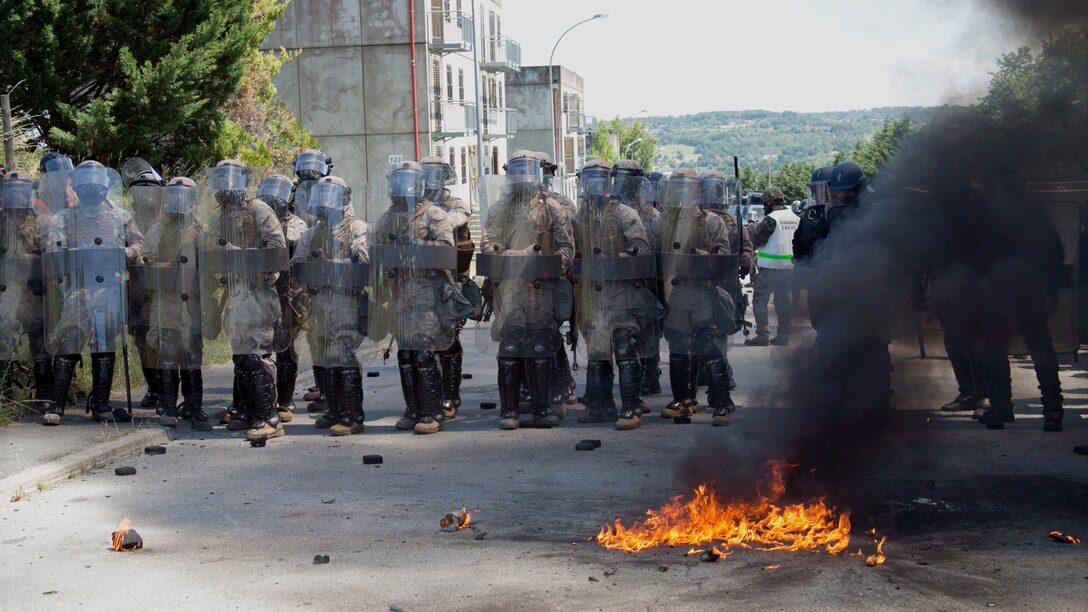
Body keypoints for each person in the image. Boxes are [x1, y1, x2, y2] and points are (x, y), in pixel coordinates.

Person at [41, 161, 143, 425]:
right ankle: (56, 403)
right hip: (79, 289)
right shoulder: (64, 217)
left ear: (105, 185)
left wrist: (125, 253)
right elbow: (54, 248)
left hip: (110, 288)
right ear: (77, 186)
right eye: (86, 183)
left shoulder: (120, 216)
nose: (91, 188)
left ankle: (101, 403)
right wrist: (74, 254)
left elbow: (138, 245)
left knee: (106, 345)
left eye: (96, 183)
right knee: (69, 340)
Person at [480, 151, 574, 430]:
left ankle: (542, 408)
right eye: (516, 172)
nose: (522, 179)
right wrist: (512, 255)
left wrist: (550, 266)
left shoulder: (552, 208)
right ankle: (508, 411)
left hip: (541, 289)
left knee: (540, 346)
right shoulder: (499, 210)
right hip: (509, 290)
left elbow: (567, 248)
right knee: (510, 347)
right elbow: (488, 244)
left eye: (526, 172)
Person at [201, 160, 289, 441]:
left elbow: (277, 250)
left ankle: (270, 418)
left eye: (231, 179)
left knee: (257, 357)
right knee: (241, 359)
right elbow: (210, 253)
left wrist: (235, 251)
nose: (225, 186)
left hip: (259, 293)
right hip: (235, 296)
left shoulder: (259, 210)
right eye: (221, 179)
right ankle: (250, 412)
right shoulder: (218, 219)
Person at [371, 161, 459, 435]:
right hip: (399, 295)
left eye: (407, 181)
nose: (401, 188)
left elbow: (447, 251)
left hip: (427, 294)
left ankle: (432, 412)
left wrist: (419, 246)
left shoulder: (434, 215)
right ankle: (412, 410)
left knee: (423, 353)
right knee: (406, 355)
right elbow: (375, 253)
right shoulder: (387, 219)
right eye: (397, 182)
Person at [573, 160, 657, 430]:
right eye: (590, 180)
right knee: (597, 350)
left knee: (623, 344)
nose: (594, 186)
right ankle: (600, 405)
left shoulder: (624, 213)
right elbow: (570, 250)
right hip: (591, 295)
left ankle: (631, 407)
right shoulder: (579, 217)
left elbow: (641, 249)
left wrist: (622, 258)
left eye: (599, 180)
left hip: (620, 292)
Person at [656, 168, 737, 426]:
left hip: (703, 291)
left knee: (710, 345)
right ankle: (683, 400)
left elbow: (724, 255)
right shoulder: (664, 222)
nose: (682, 193)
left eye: (687, 188)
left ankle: (722, 403)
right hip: (676, 293)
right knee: (679, 347)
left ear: (698, 191)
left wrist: (704, 255)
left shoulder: (713, 221)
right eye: (677, 188)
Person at [291, 175, 370, 436]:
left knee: (344, 358)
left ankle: (352, 415)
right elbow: (298, 267)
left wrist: (330, 268)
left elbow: (363, 261)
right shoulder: (311, 233)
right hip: (318, 306)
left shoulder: (356, 228)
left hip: (346, 302)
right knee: (326, 361)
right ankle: (334, 410)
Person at [140, 177, 213, 430]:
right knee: (168, 354)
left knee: (192, 356)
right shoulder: (159, 226)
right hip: (167, 301)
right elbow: (145, 259)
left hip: (192, 303)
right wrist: (168, 270)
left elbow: (210, 264)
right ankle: (169, 407)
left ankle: (194, 407)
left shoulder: (201, 228)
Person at [421, 155, 476, 420]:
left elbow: (454, 220)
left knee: (450, 341)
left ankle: (450, 396)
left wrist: (428, 215)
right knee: (427, 343)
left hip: (452, 282)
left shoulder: (455, 205)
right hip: (424, 283)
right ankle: (430, 397)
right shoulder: (419, 207)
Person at [258, 173, 308, 424]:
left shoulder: (297, 223)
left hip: (290, 294)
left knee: (286, 348)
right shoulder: (259, 221)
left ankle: (285, 400)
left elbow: (293, 239)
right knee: (259, 348)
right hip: (263, 292)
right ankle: (259, 401)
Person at [0, 171, 51, 407]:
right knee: (2, 338)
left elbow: (52, 256)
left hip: (32, 290)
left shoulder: (41, 221)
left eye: (20, 191)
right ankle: (5, 395)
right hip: (6, 290)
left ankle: (44, 395)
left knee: (39, 341)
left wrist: (30, 260)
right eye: (11, 191)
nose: (16, 196)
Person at [699, 170, 752, 393]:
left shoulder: (732, 220)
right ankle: (705, 371)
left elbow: (746, 249)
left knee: (719, 330)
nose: (714, 194)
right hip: (699, 282)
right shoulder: (697, 219)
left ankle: (721, 375)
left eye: (717, 189)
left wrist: (745, 258)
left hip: (725, 283)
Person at [120, 158, 165, 409]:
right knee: (141, 341)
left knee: (163, 340)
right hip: (137, 289)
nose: (146, 197)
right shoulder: (129, 220)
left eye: (150, 191)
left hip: (164, 289)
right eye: (141, 192)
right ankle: (154, 388)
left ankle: (168, 390)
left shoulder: (169, 218)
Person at [291, 150, 333, 415]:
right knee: (310, 332)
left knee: (327, 333)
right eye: (304, 169)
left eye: (313, 169)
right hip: (301, 261)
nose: (309, 174)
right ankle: (320, 383)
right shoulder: (294, 193)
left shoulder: (331, 190)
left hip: (323, 265)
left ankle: (329, 388)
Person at [745, 187, 800, 346]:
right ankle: (784, 335)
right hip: (790, 266)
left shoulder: (771, 219)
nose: (764, 206)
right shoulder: (795, 218)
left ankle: (763, 334)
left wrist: (751, 230)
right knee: (783, 301)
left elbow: (758, 241)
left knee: (759, 299)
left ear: (769, 202)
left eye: (764, 203)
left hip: (770, 266)